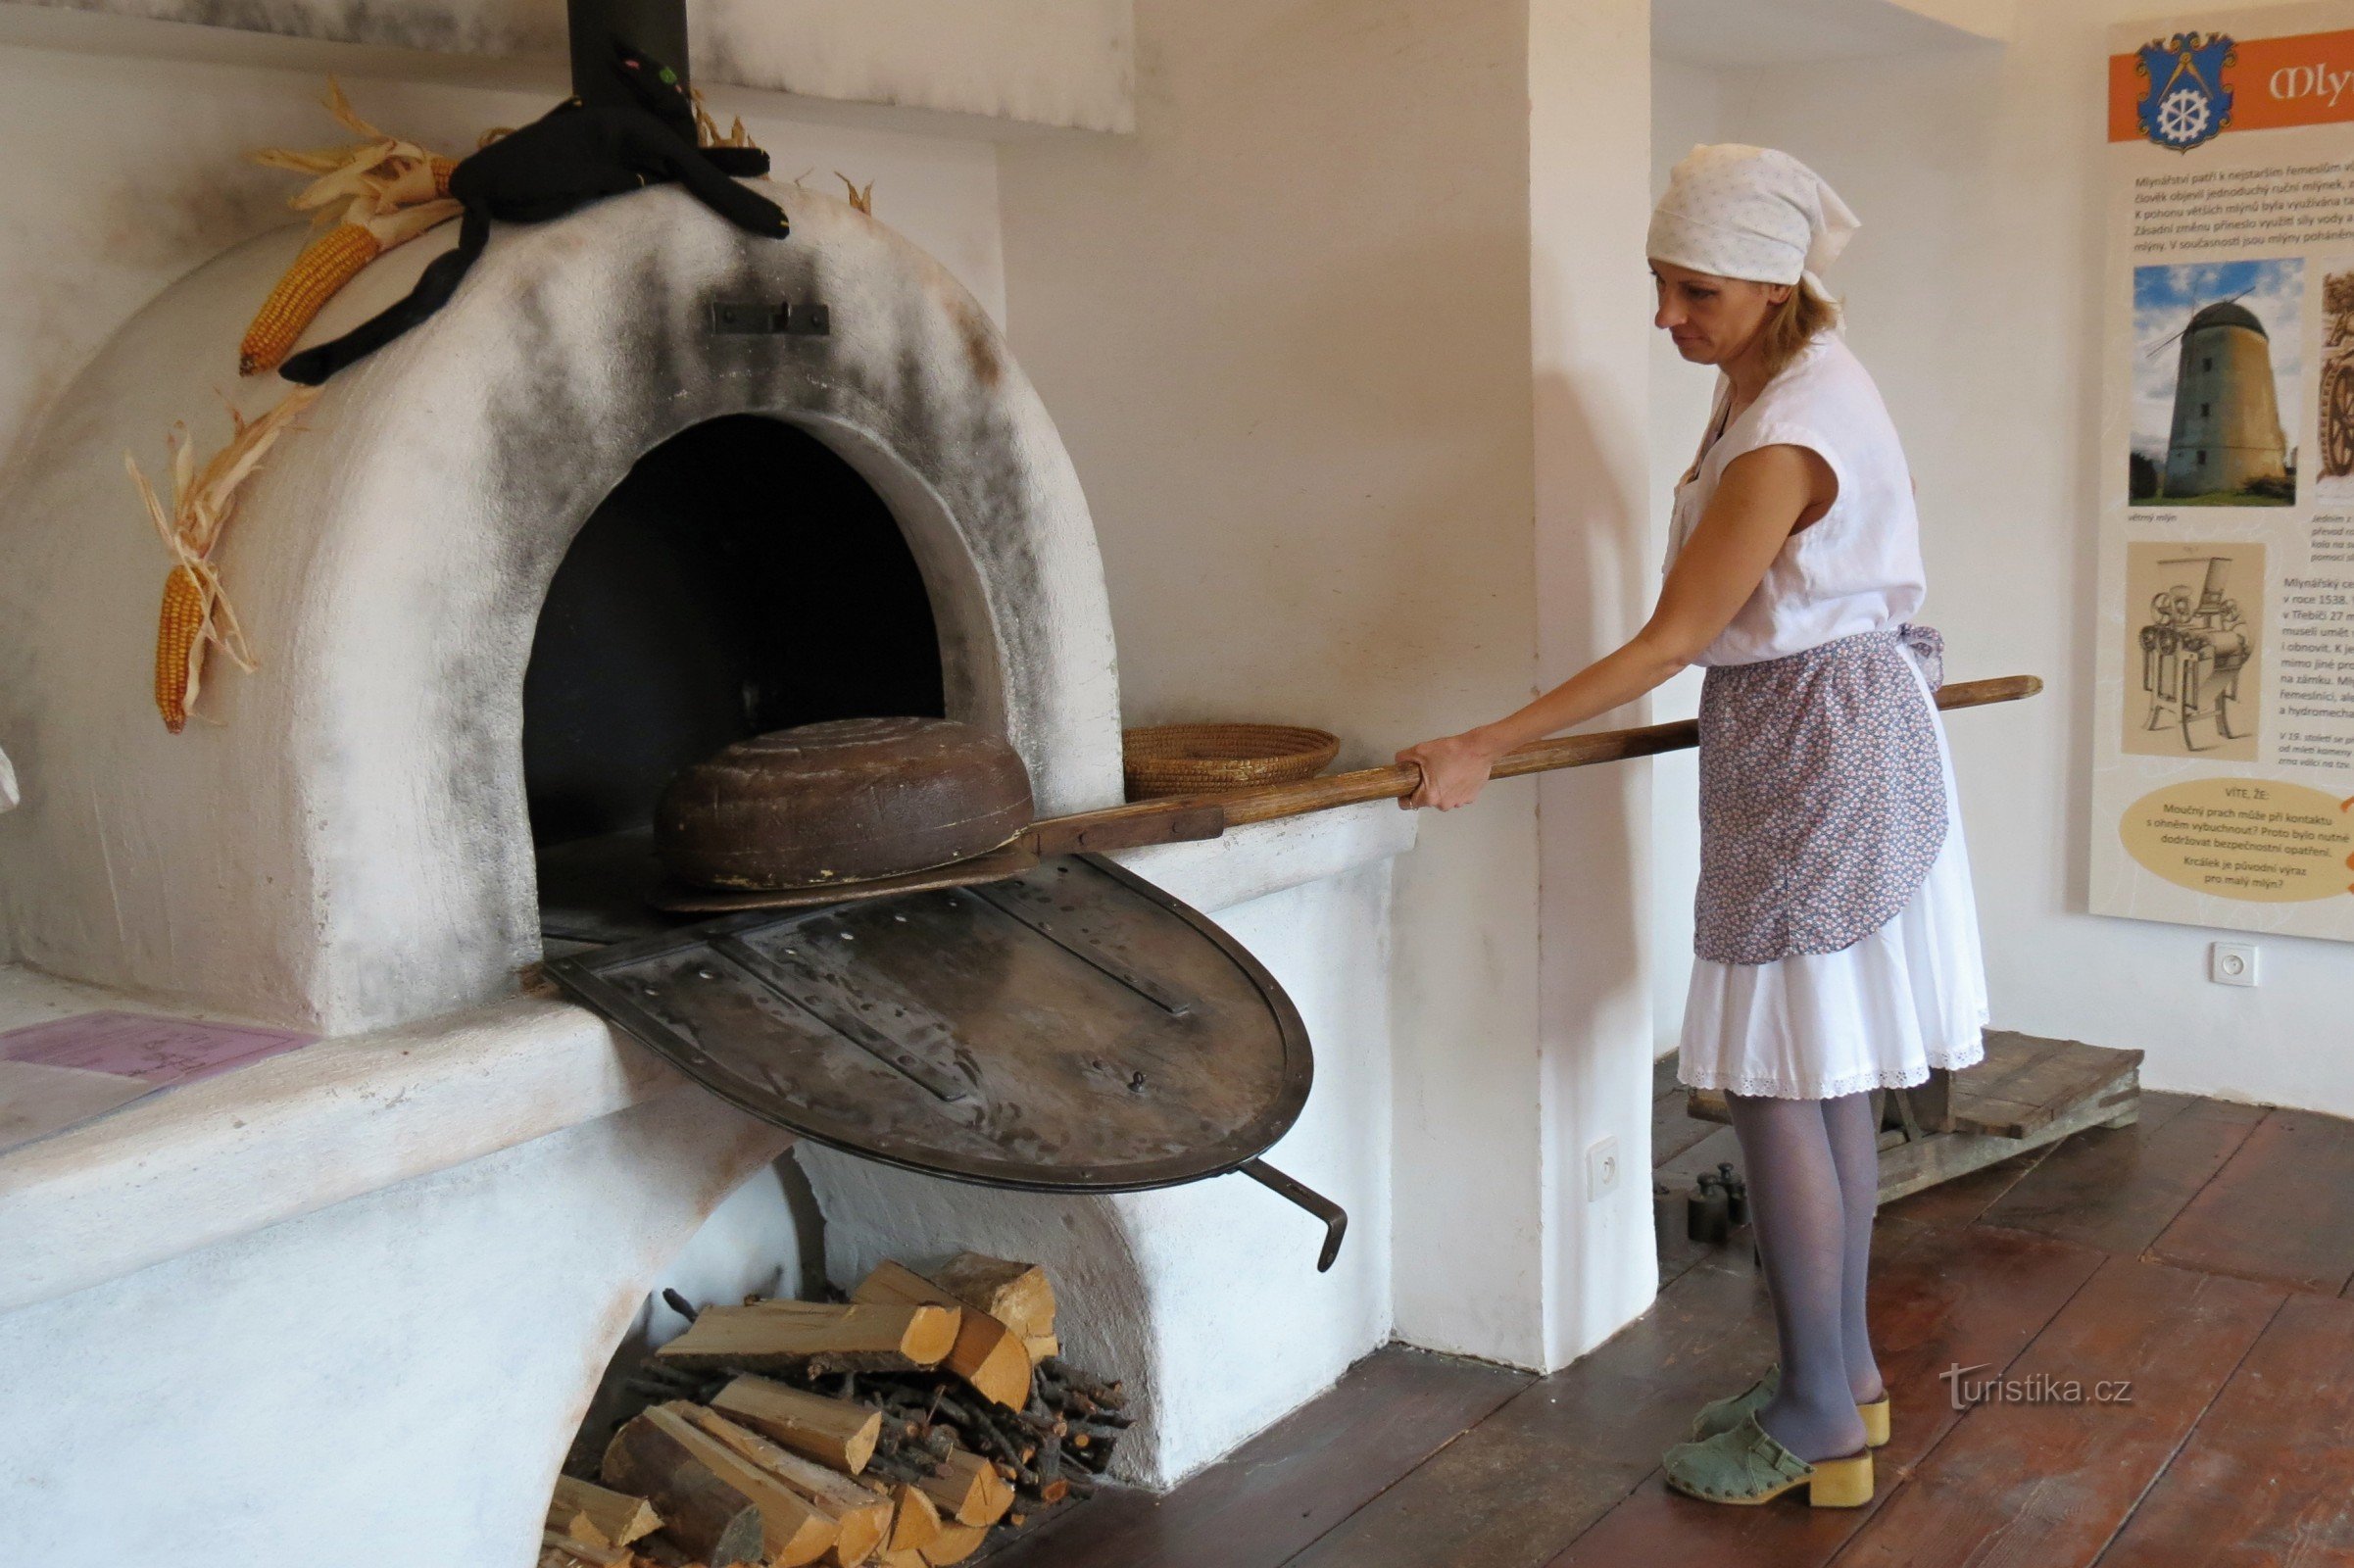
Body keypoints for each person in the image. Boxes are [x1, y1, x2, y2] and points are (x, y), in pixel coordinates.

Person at [1395, 143, 1988, 1509]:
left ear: (1776, 288)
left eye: (1692, 290)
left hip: (1813, 755)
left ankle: (1813, 1416)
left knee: (1782, 1086)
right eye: (1660, 284)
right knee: (1825, 1075)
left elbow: (1675, 636)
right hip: (1820, 736)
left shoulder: (1789, 427)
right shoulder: (1769, 383)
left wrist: (1484, 742)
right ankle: (1841, 1383)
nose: (1665, 314)